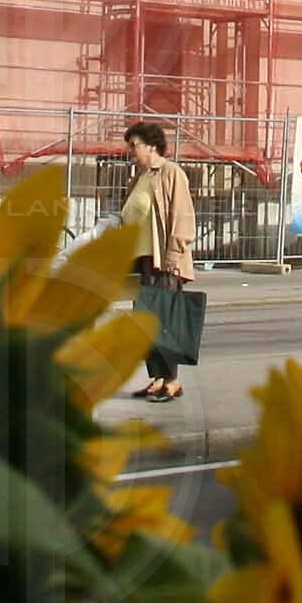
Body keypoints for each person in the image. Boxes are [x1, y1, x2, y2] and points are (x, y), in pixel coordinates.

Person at [118, 121, 197, 403]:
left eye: (134, 145)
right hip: (141, 261)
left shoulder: (171, 173)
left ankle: (173, 381)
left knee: (165, 322)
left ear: (151, 146)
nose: (130, 151)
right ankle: (158, 379)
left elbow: (183, 218)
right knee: (146, 322)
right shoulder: (139, 177)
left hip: (162, 260)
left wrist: (174, 258)